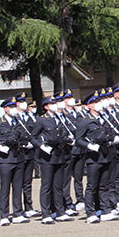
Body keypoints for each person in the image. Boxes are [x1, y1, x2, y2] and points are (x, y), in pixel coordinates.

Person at [75, 92, 119, 223]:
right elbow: (79, 139)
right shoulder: (85, 120)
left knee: (104, 185)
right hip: (93, 157)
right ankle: (90, 213)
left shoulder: (103, 118)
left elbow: (108, 133)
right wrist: (89, 145)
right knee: (92, 186)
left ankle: (105, 210)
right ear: (90, 106)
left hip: (105, 155)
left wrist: (113, 138)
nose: (99, 104)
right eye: (95, 102)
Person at [0, 97, 31, 226]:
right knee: (5, 188)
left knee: (18, 187)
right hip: (5, 159)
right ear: (5, 109)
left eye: (14, 107)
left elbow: (24, 136)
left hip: (19, 157)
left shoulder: (19, 121)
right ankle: (4, 215)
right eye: (11, 107)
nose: (13, 109)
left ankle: (17, 213)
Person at [30, 95, 74, 224]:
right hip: (47, 157)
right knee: (46, 186)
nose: (55, 105)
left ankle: (60, 212)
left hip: (59, 155)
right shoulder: (41, 120)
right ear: (46, 107)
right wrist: (41, 146)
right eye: (52, 104)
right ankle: (46, 213)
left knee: (58, 185)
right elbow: (33, 137)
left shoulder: (59, 118)